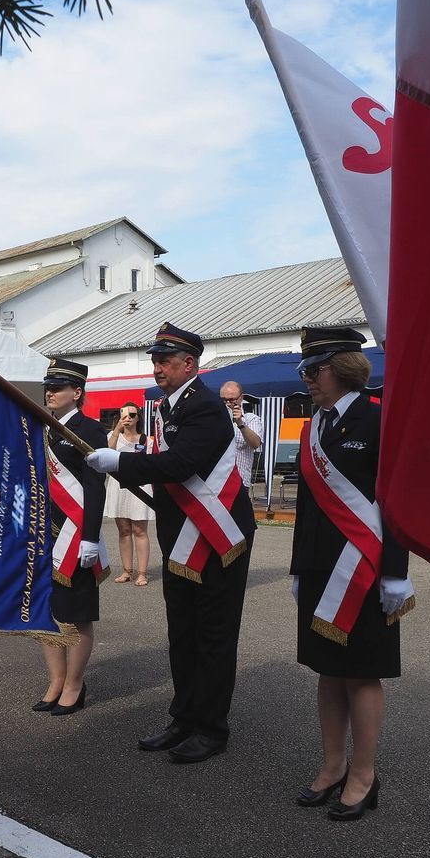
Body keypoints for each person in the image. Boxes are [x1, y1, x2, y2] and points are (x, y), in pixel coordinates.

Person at [86, 322, 256, 763]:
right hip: (182, 535)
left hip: (218, 537)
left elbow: (181, 463)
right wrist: (130, 460)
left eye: (164, 360)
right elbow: (162, 459)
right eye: (154, 360)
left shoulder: (205, 407)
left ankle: (211, 728)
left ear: (189, 364)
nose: (156, 367)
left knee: (213, 636)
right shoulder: (167, 406)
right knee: (182, 633)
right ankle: (183, 718)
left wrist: (119, 461)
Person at [289, 327, 412, 821]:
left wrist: (397, 574)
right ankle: (333, 765)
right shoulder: (313, 424)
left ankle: (364, 774)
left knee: (361, 674)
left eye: (313, 370)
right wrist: (299, 566)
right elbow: (307, 505)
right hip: (322, 569)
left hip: (366, 570)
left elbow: (398, 503)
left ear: (342, 368)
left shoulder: (379, 420)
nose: (307, 379)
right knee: (327, 671)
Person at [35, 358, 108, 716]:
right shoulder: (41, 429)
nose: (50, 392)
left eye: (58, 386)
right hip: (43, 535)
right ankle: (56, 680)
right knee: (47, 613)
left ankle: (75, 685)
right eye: (48, 386)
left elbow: (95, 487)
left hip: (75, 534)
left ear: (76, 392)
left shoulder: (89, 430)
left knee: (76, 614)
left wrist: (91, 537)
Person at [104, 402, 154, 586]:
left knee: (139, 530)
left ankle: (142, 572)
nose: (128, 418)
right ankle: (127, 571)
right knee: (124, 531)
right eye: (124, 414)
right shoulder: (113, 436)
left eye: (133, 415)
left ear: (139, 417)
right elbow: (106, 455)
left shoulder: (146, 440)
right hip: (118, 486)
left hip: (140, 486)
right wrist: (117, 430)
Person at [219, 381, 263, 489]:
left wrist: (240, 424)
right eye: (223, 400)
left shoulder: (250, 418)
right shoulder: (215, 418)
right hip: (218, 481)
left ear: (241, 397)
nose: (228, 403)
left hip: (240, 481)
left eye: (231, 400)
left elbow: (255, 444)